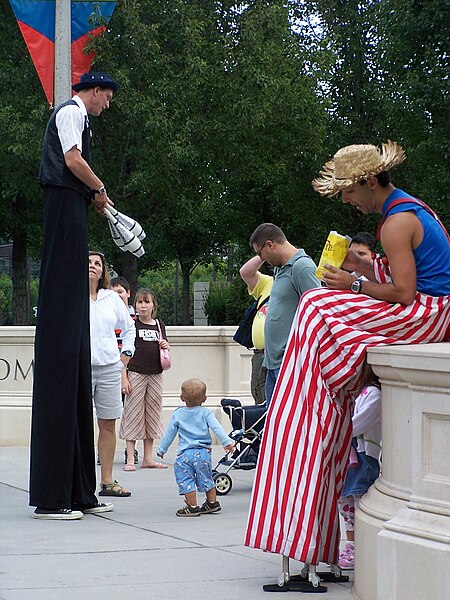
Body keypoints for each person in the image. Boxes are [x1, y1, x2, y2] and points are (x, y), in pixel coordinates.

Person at [245, 141, 450, 568]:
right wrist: (362, 270)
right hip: (426, 308)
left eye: (348, 191)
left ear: (369, 181)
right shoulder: (407, 212)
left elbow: (406, 293)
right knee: (320, 307)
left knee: (318, 306)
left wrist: (351, 285)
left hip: (427, 314)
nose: (346, 200)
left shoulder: (397, 222)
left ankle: (323, 396)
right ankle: (337, 383)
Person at [30, 72, 119, 519]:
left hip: (74, 205)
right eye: (107, 97)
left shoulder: (81, 116)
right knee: (64, 311)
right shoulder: (71, 111)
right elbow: (70, 160)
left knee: (75, 350)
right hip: (65, 203)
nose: (107, 106)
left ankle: (80, 489)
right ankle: (53, 496)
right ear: (96, 91)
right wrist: (99, 188)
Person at [249, 223, 320, 404]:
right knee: (274, 425)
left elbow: (318, 312)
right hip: (273, 363)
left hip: (290, 364)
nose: (261, 258)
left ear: (270, 245)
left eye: (260, 253)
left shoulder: (302, 266)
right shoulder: (281, 269)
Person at [89, 252, 135, 498]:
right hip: (80, 368)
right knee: (78, 425)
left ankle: (106, 482)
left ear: (103, 270)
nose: (92, 266)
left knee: (107, 423)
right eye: (88, 262)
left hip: (109, 368)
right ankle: (79, 479)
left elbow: (130, 329)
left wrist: (124, 357)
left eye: (97, 263)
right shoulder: (72, 295)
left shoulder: (110, 298)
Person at [157, 378, 234, 517]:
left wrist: (162, 449)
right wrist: (226, 442)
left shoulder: (178, 414)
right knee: (206, 477)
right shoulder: (206, 413)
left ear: (181, 397)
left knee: (186, 479)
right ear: (205, 398)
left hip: (185, 455)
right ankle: (212, 503)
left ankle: (192, 506)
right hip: (203, 453)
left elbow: (169, 434)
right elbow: (217, 428)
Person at [119, 289, 170, 470]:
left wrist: (166, 345)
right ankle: (130, 458)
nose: (143, 305)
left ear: (153, 305)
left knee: (152, 415)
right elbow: (125, 353)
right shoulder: (132, 326)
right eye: (140, 302)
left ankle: (148, 458)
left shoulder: (159, 325)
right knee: (133, 413)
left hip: (155, 374)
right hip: (136, 373)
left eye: (147, 302)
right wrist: (124, 377)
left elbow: (164, 346)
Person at [338, 362, 381, 570]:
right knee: (346, 501)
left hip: (363, 454)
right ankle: (352, 545)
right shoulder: (363, 392)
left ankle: (356, 546)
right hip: (353, 452)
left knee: (356, 498)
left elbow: (360, 423)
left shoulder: (373, 394)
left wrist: (338, 429)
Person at [110, 276, 139, 465]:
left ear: (128, 293)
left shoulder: (136, 317)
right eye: (113, 293)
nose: (117, 296)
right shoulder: (107, 314)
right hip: (112, 370)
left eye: (120, 292)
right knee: (109, 414)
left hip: (135, 372)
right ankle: (106, 450)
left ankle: (132, 451)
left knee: (132, 412)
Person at [239, 256, 273, 404]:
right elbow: (246, 272)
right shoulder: (269, 282)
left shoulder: (295, 283)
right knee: (259, 395)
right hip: (260, 353)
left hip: (280, 354)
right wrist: (263, 254)